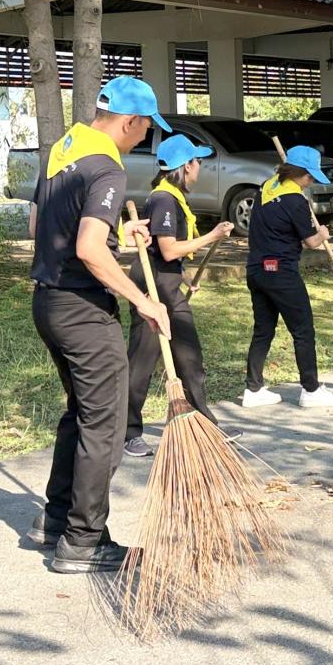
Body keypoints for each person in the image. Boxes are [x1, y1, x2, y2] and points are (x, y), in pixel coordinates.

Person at [24, 76, 172, 573]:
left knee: (79, 416)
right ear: (129, 121)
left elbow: (41, 224)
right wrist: (143, 301)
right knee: (104, 426)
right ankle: (84, 541)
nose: (144, 138)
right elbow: (87, 250)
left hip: (48, 304)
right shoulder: (107, 166)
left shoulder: (63, 148)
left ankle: (54, 520)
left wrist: (114, 229)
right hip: (85, 313)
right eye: (146, 129)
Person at [124, 134, 239, 458]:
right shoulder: (163, 199)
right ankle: (128, 433)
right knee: (142, 361)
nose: (200, 167)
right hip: (153, 286)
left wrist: (183, 278)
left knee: (189, 357)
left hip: (168, 282)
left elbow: (170, 255)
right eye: (197, 162)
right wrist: (212, 236)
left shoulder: (172, 196)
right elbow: (168, 249)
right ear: (185, 166)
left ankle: (204, 424)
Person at [241, 145, 333, 409]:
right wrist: (324, 234)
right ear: (298, 172)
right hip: (281, 273)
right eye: (309, 176)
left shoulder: (267, 186)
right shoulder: (295, 201)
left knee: (263, 330)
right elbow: (311, 241)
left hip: (256, 270)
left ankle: (253, 390)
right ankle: (310, 390)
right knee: (303, 330)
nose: (310, 181)